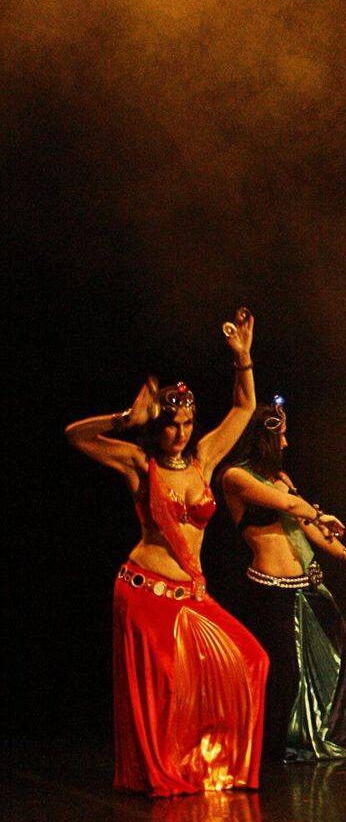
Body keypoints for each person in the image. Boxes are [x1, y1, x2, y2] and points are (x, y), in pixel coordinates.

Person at [65, 310, 269, 796]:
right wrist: (124, 419)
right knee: (164, 688)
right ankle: (165, 771)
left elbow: (244, 408)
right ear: (156, 428)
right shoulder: (141, 465)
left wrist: (243, 358)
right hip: (143, 592)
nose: (181, 433)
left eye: (188, 423)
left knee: (252, 660)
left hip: (190, 593)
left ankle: (213, 765)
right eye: (172, 425)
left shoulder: (204, 459)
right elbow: (76, 435)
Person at [219, 398, 346, 763]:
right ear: (262, 438)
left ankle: (317, 735)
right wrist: (320, 514)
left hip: (304, 588)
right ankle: (271, 750)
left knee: (338, 654)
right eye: (280, 435)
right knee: (286, 675)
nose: (285, 443)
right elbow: (294, 508)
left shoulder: (281, 479)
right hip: (269, 590)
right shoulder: (235, 478)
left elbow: (307, 525)